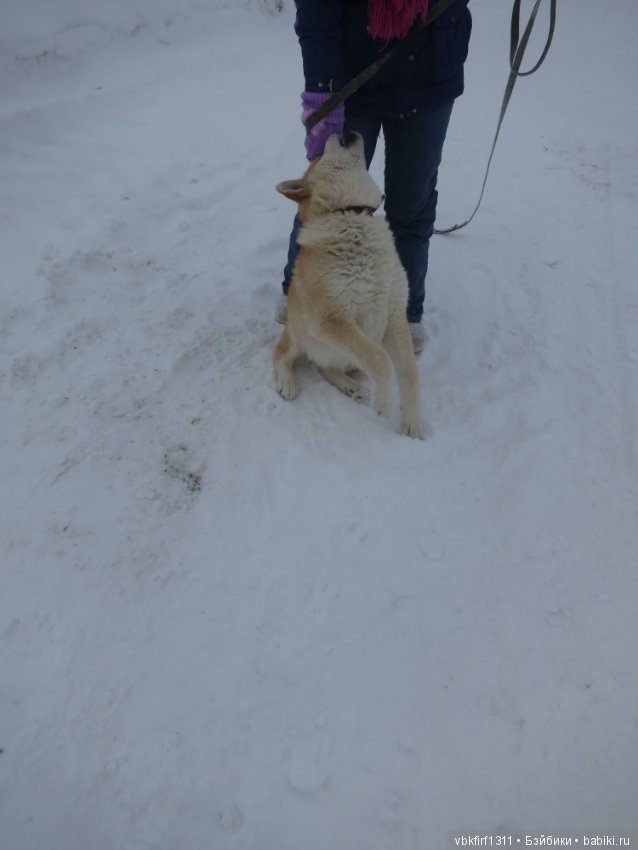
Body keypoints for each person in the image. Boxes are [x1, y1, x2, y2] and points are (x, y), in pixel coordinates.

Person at [276, 0, 472, 354]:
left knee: (412, 205)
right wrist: (322, 89)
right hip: (354, 77)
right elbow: (317, 13)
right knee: (330, 198)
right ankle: (299, 292)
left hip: (430, 78)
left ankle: (403, 313)